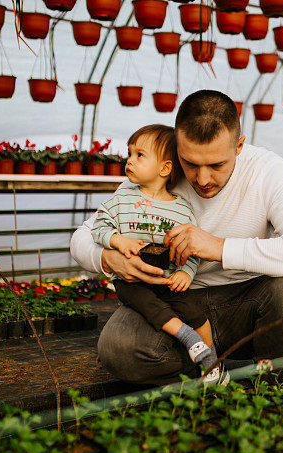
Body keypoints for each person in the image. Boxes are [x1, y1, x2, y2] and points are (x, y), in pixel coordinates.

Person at [70, 89, 283, 385]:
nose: (202, 179)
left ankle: (249, 375)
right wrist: (107, 258)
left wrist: (220, 247)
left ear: (239, 146)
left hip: (249, 300)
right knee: (118, 349)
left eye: (216, 165)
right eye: (190, 163)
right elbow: (83, 235)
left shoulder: (266, 170)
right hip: (174, 303)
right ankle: (221, 372)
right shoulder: (159, 170)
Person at [90, 124, 223, 384]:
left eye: (140, 155)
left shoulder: (182, 209)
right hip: (132, 281)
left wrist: (186, 272)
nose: (130, 160)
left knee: (197, 314)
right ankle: (187, 337)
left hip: (168, 279)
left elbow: (190, 248)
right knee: (148, 304)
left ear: (164, 168)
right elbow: (99, 227)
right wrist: (117, 240)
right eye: (130, 154)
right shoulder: (121, 200)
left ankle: (213, 364)